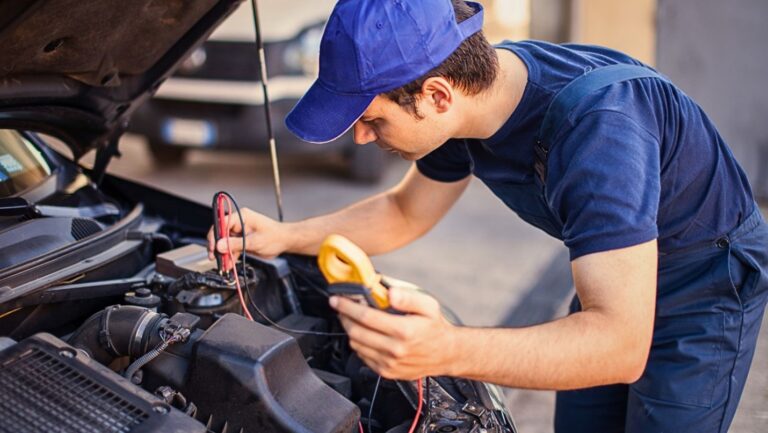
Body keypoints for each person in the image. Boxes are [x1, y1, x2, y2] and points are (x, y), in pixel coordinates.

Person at [207, 1, 768, 432]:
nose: (360, 134)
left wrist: (446, 347)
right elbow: (404, 211)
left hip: (705, 284)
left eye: (371, 117)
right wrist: (282, 236)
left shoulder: (600, 131)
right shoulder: (466, 105)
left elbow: (619, 344)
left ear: (437, 95)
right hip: (616, 274)